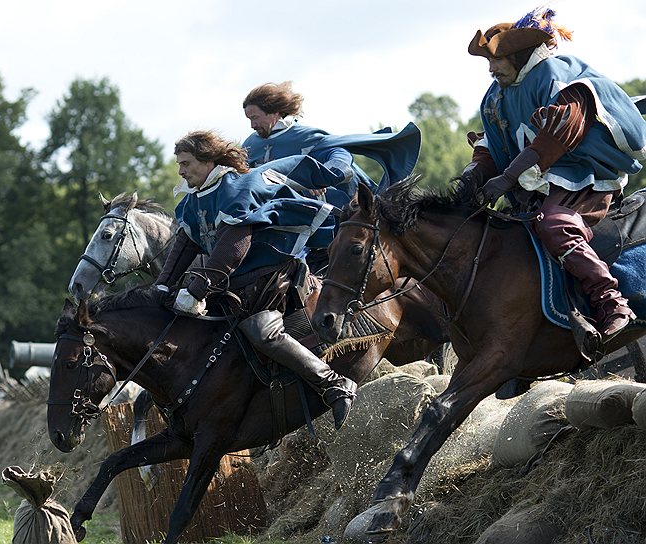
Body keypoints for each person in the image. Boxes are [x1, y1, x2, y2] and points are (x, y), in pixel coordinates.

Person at [460, 7, 646, 337]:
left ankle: (611, 301)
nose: (491, 69)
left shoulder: (560, 77)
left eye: (495, 60)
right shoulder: (495, 97)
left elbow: (558, 135)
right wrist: (473, 175)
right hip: (535, 186)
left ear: (517, 56)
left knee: (555, 223)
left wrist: (506, 179)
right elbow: (492, 144)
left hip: (585, 178)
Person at [154, 130, 357, 429]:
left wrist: (196, 290)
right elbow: (185, 245)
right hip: (231, 287)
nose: (181, 170)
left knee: (262, 331)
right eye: (179, 164)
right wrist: (162, 286)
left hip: (270, 281)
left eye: (186, 163)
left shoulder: (236, 188)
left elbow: (233, 247)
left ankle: (334, 385)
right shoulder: (192, 201)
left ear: (208, 160)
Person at [242, 81, 422, 194]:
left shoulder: (308, 138)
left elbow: (342, 158)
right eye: (249, 119)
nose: (252, 125)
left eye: (255, 118)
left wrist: (319, 177)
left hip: (331, 218)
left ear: (275, 112)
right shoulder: (250, 145)